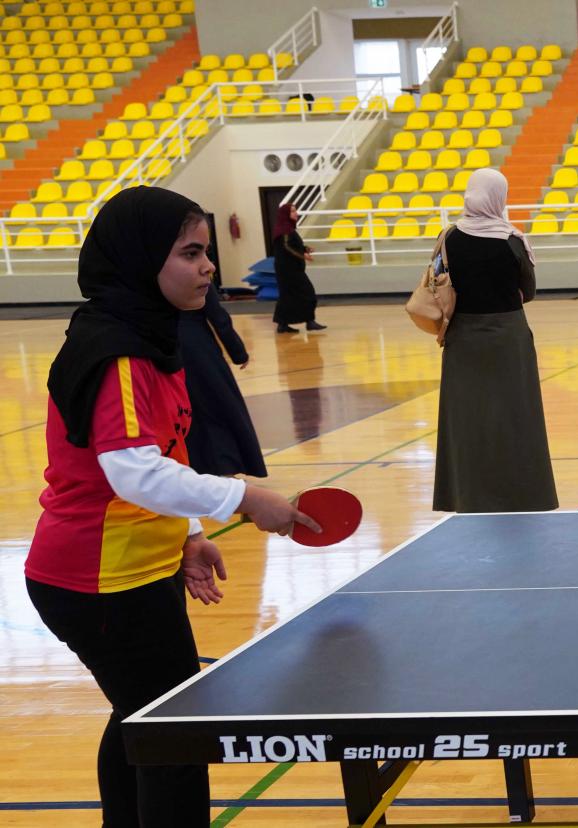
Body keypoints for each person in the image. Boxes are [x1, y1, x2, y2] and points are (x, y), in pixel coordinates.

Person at [29, 186, 315, 826]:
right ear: (141, 259)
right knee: (176, 736)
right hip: (97, 580)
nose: (209, 267)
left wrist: (186, 533)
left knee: (142, 719)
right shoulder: (119, 352)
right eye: (191, 253)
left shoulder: (152, 337)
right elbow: (131, 470)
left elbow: (167, 452)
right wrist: (243, 498)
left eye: (206, 251)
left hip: (132, 569)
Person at [432, 169, 558, 513]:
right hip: (508, 338)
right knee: (517, 418)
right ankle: (524, 495)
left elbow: (437, 283)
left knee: (466, 420)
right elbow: (527, 292)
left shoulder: (449, 238)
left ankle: (465, 497)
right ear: (498, 196)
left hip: (463, 340)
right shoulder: (512, 240)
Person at [178, 282, 265, 477]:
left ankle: (189, 466)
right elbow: (217, 316)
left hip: (161, 345)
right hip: (197, 346)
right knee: (216, 406)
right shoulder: (192, 271)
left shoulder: (149, 270)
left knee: (181, 411)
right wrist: (238, 352)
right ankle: (225, 465)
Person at [269, 202, 321, 333]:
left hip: (290, 268)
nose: (296, 213)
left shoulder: (287, 229)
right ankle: (310, 322)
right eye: (292, 211)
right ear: (286, 214)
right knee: (308, 292)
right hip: (288, 269)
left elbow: (292, 245)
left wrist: (305, 249)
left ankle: (283, 324)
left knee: (287, 296)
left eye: (295, 210)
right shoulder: (284, 231)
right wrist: (303, 255)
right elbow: (287, 247)